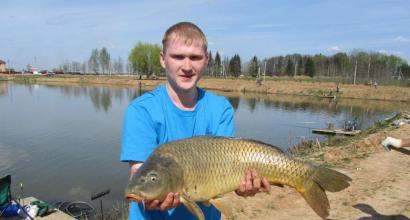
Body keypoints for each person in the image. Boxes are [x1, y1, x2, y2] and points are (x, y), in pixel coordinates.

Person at [120, 21, 270, 220]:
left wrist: (242, 187)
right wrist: (147, 194)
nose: (187, 66)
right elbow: (140, 172)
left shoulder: (221, 108)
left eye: (195, 57)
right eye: (178, 56)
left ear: (206, 60)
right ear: (163, 59)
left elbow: (228, 172)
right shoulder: (141, 110)